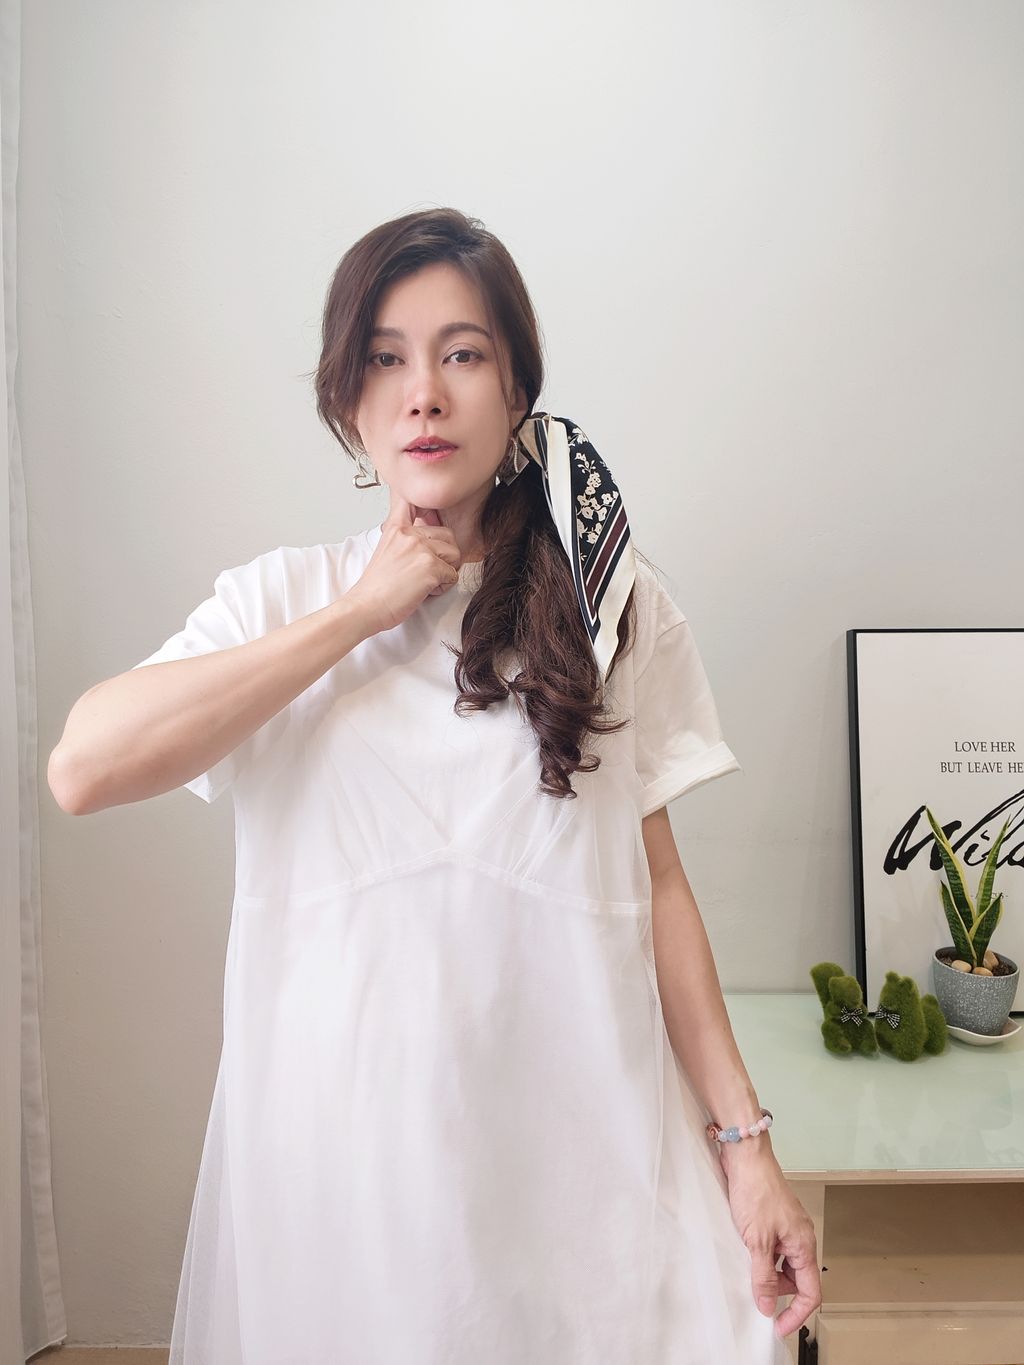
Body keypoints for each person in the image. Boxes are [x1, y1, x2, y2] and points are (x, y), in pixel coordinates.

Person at [49, 207, 820, 1363]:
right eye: (385, 359)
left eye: (462, 354)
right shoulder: (280, 601)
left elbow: (657, 888)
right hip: (344, 1189)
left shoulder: (608, 605)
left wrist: (747, 1149)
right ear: (345, 404)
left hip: (578, 1167)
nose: (423, 394)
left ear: (516, 391)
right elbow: (85, 766)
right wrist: (361, 609)